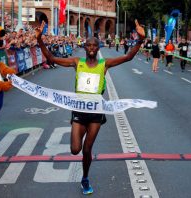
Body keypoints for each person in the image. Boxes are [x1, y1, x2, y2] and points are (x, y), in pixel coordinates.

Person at [36, 20, 145, 195]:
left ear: (98, 47)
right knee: (74, 149)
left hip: (95, 113)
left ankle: (85, 178)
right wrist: (39, 40)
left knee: (87, 149)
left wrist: (140, 40)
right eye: (89, 45)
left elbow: (128, 57)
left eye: (95, 45)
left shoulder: (105, 64)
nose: (92, 47)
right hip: (79, 111)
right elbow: (51, 58)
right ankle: (84, 172)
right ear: (84, 47)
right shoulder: (76, 62)